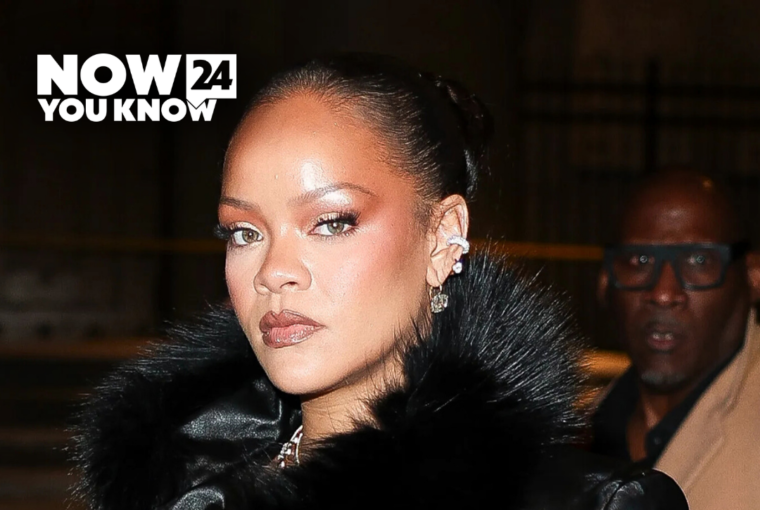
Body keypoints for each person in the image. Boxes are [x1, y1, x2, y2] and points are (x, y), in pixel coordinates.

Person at [73, 54, 687, 510]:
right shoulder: (168, 482)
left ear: (443, 237)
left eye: (331, 222)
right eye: (244, 232)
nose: (274, 272)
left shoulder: (595, 505)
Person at [593, 168, 760, 510]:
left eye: (699, 260)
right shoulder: (576, 433)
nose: (664, 293)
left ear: (752, 278)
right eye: (640, 260)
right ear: (605, 283)